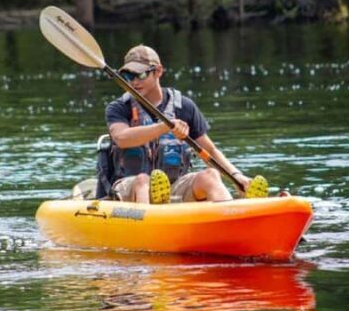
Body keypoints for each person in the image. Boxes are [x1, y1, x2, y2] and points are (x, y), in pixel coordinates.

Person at [105, 44, 253, 204]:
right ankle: (150, 226)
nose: (133, 82)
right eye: (128, 76)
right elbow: (122, 138)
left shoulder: (184, 106)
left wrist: (236, 176)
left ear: (158, 71)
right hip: (130, 188)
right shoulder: (119, 107)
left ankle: (230, 218)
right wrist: (164, 127)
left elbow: (210, 150)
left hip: (174, 186)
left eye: (140, 75)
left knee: (210, 176)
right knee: (143, 181)